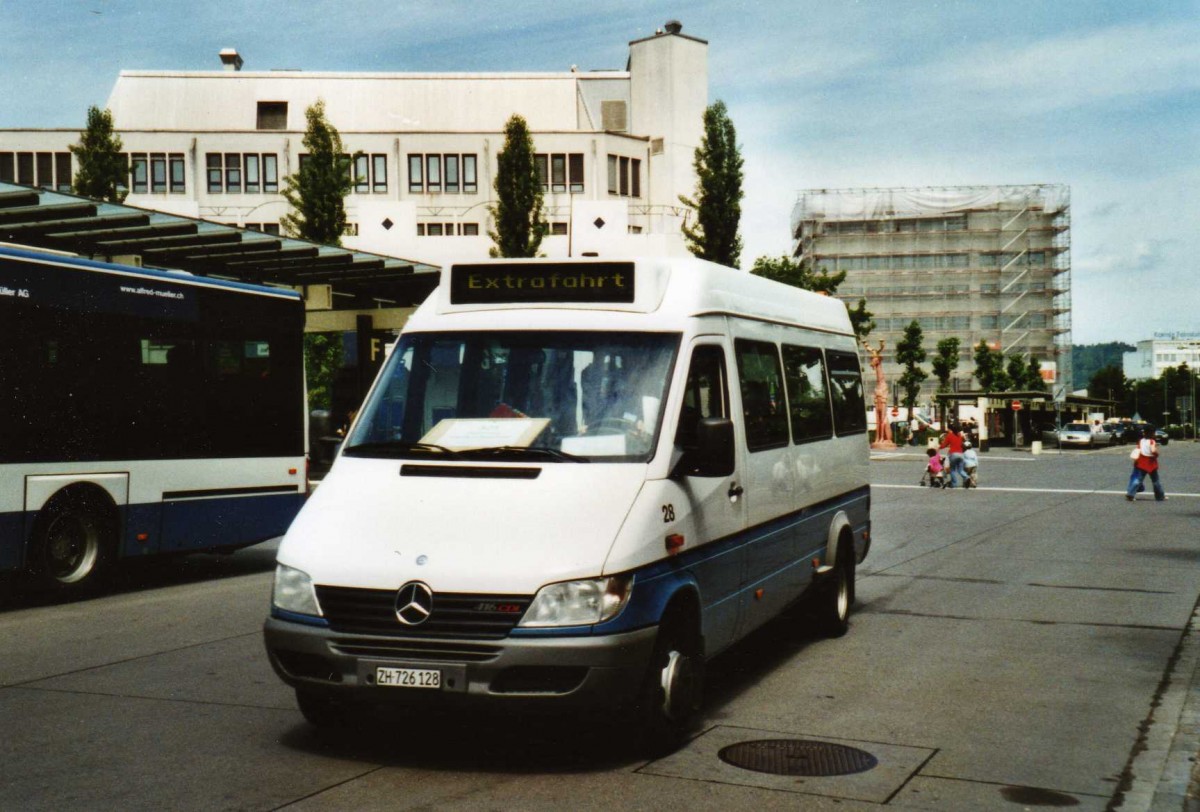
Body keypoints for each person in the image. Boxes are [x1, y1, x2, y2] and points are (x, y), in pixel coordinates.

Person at [1126, 426, 1166, 502]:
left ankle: (1130, 494)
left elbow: (1138, 450)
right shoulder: (1152, 441)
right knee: (1155, 480)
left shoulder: (1141, 441)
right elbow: (1153, 450)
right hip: (1151, 462)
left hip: (1141, 461)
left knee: (1138, 479)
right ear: (1152, 433)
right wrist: (1156, 454)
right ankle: (1160, 496)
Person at [938, 422, 967, 488]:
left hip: (953, 454)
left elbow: (944, 445)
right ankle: (966, 477)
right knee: (960, 470)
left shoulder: (949, 435)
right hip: (961, 454)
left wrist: (938, 447)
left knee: (952, 470)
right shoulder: (959, 435)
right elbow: (963, 443)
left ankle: (954, 483)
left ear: (950, 429)